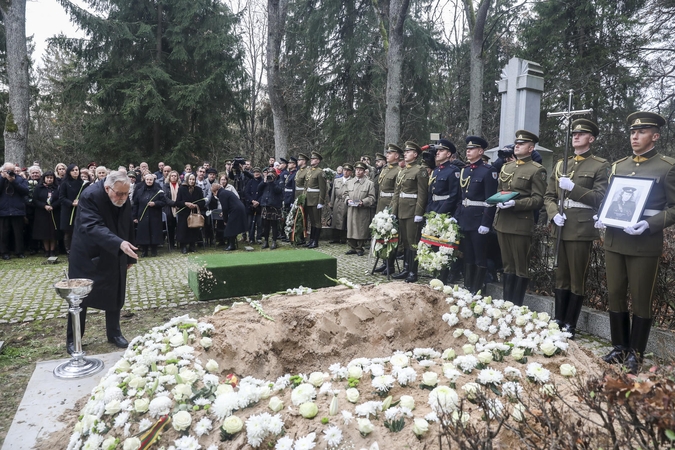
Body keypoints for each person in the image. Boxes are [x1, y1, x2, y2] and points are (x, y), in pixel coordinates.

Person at [598, 111, 675, 374]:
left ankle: (636, 353)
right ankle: (619, 347)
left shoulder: (667, 166)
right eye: (632, 132)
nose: (635, 136)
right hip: (615, 239)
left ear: (655, 136)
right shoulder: (619, 165)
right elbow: (611, 197)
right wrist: (602, 214)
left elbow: (674, 207)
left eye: (641, 132)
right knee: (616, 294)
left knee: (641, 298)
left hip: (644, 241)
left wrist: (650, 224)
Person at [544, 119, 609, 338]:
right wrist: (553, 214)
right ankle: (558, 319)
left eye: (581, 134)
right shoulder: (562, 164)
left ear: (591, 139)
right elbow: (549, 196)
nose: (576, 137)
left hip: (581, 228)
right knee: (560, 275)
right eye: (574, 134)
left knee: (576, 278)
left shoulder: (599, 165)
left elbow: (600, 197)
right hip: (561, 225)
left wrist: (573, 188)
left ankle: (571, 323)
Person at [66, 171, 137, 355]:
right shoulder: (89, 196)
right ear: (107, 188)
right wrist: (119, 244)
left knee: (115, 292)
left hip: (116, 251)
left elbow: (127, 223)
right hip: (87, 254)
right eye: (119, 194)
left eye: (126, 194)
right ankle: (74, 338)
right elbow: (92, 226)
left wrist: (128, 255)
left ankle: (114, 333)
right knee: (80, 298)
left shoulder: (122, 194)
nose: (122, 198)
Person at [493, 130, 547, 305]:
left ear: (531, 148)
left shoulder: (537, 170)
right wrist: (498, 200)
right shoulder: (506, 167)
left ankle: (517, 305)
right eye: (516, 143)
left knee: (520, 268)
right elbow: (500, 190)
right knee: (507, 266)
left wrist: (516, 204)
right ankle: (507, 304)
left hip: (520, 223)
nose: (517, 145)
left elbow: (538, 199)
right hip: (503, 221)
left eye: (522, 144)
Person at [456, 136, 498, 292]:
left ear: (480, 151)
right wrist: (458, 217)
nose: (468, 151)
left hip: (479, 219)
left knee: (480, 256)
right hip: (465, 218)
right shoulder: (465, 170)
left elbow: (491, 200)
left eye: (472, 149)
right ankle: (468, 286)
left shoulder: (488, 171)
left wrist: (486, 223)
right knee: (467, 255)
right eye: (467, 149)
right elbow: (462, 198)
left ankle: (478, 287)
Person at [391, 141, 429, 283]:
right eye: (405, 152)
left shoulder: (420, 170)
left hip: (413, 210)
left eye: (408, 152)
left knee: (413, 241)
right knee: (405, 241)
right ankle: (406, 268)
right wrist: (393, 211)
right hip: (401, 209)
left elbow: (422, 193)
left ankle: (413, 271)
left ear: (415, 154)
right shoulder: (402, 170)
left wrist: (419, 212)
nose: (405, 154)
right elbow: (396, 192)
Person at [373, 144, 403, 275]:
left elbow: (397, 192)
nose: (387, 155)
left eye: (390, 153)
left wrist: (392, 210)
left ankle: (390, 264)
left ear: (396, 156)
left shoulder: (398, 170)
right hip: (381, 204)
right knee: (381, 234)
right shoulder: (385, 169)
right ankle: (384, 261)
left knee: (391, 235)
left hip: (390, 205)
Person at [345, 162, 376, 256]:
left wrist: (363, 202)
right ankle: (352, 247)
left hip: (362, 210)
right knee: (351, 228)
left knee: (361, 228)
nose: (358, 172)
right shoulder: (349, 182)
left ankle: (359, 247)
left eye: (361, 170)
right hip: (351, 209)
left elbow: (372, 198)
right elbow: (345, 194)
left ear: (364, 171)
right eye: (357, 169)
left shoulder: (369, 183)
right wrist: (347, 200)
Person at [132, 173, 167, 257]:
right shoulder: (140, 191)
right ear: (145, 180)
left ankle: (154, 250)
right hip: (143, 216)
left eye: (151, 180)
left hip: (154, 216)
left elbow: (163, 202)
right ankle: (144, 251)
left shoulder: (158, 190)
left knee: (154, 232)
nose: (149, 181)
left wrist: (155, 203)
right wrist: (135, 216)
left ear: (153, 180)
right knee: (143, 233)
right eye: (147, 180)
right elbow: (135, 204)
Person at [0, 163, 30, 259]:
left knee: (18, 233)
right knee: (3, 234)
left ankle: (19, 252)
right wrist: (2, 178)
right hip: (3, 210)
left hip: (17, 210)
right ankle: (4, 252)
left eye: (12, 171)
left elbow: (25, 191)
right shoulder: (0, 178)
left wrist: (13, 181)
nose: (10, 172)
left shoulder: (20, 179)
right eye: (8, 170)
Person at [427, 139, 462, 215]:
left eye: (441, 151)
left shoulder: (453, 170)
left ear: (448, 154)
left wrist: (441, 213)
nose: (437, 153)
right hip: (433, 209)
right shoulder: (436, 170)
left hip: (444, 210)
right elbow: (430, 194)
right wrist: (428, 212)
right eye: (437, 150)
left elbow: (453, 195)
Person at [210, 178, 247, 251]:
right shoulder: (224, 192)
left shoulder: (221, 194)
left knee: (230, 228)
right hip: (238, 209)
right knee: (231, 228)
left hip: (236, 210)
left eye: (213, 192)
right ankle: (230, 244)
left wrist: (225, 219)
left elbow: (225, 208)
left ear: (216, 191)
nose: (214, 194)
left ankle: (231, 245)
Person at [32, 170, 61, 257]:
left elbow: (60, 199)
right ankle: (46, 250)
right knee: (44, 233)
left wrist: (53, 206)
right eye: (47, 178)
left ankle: (52, 250)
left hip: (54, 212)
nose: (49, 179)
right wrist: (44, 206)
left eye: (51, 178)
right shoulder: (38, 188)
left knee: (53, 233)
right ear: (44, 178)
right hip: (42, 213)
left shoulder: (57, 188)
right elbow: (35, 200)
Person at [59, 164, 86, 255]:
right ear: (69, 172)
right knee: (68, 231)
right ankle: (69, 251)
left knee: (79, 231)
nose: (75, 172)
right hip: (68, 210)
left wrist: (80, 202)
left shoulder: (82, 183)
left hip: (79, 209)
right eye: (73, 170)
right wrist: (71, 203)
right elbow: (62, 197)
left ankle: (79, 250)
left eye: (77, 170)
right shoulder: (64, 183)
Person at [175, 173, 205, 253]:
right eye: (190, 179)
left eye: (193, 179)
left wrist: (196, 205)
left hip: (194, 213)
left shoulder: (198, 189)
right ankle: (183, 246)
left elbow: (202, 201)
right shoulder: (182, 188)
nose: (192, 181)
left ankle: (192, 245)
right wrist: (185, 203)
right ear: (187, 180)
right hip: (184, 213)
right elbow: (178, 202)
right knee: (183, 229)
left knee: (194, 229)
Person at [304, 151, 328, 248]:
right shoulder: (309, 171)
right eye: (312, 159)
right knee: (312, 221)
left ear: (318, 161)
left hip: (315, 199)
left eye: (314, 159)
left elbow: (323, 188)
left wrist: (321, 201)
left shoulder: (320, 172)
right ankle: (311, 239)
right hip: (308, 198)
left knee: (317, 221)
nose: (311, 160)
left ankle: (316, 241)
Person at [257, 170, 284, 249]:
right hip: (266, 205)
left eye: (271, 174)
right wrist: (264, 181)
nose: (270, 175)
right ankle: (266, 241)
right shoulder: (265, 181)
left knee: (274, 225)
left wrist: (272, 182)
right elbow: (259, 188)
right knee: (266, 225)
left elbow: (279, 190)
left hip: (274, 206)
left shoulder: (279, 181)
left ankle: (274, 242)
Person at [329, 163, 353, 244]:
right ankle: (335, 237)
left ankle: (343, 238)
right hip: (337, 201)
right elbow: (333, 193)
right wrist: (331, 203)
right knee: (335, 218)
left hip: (346, 202)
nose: (346, 172)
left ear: (351, 172)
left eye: (348, 171)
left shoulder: (352, 181)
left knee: (344, 219)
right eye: (345, 170)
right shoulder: (337, 180)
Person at [243, 168, 263, 244]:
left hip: (259, 205)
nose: (256, 173)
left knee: (259, 223)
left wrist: (258, 202)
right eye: (254, 172)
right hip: (250, 206)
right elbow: (246, 193)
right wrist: (252, 201)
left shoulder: (262, 182)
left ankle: (259, 238)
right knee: (250, 223)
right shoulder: (250, 182)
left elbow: (263, 193)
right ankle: (251, 238)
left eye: (258, 172)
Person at [162, 170, 180, 249]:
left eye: (175, 176)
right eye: (172, 176)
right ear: (169, 177)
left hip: (179, 208)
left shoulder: (181, 185)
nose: (173, 177)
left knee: (179, 227)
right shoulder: (166, 186)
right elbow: (165, 197)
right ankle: (171, 244)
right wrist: (174, 203)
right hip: (169, 209)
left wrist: (179, 204)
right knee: (171, 227)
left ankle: (179, 243)